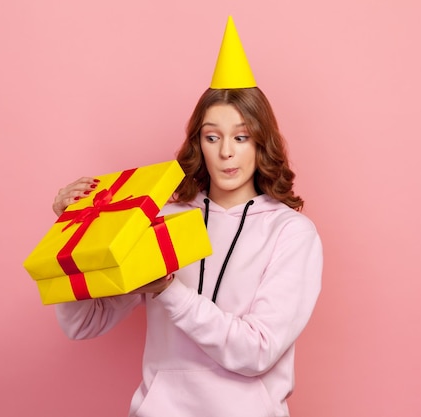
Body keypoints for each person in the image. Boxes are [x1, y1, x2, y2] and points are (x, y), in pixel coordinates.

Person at [51, 17, 322, 417]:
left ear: (261, 142)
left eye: (241, 136)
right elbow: (83, 323)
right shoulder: (159, 221)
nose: (226, 151)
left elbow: (256, 351)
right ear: (199, 142)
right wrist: (73, 232)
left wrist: (168, 290)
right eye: (213, 137)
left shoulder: (291, 233)